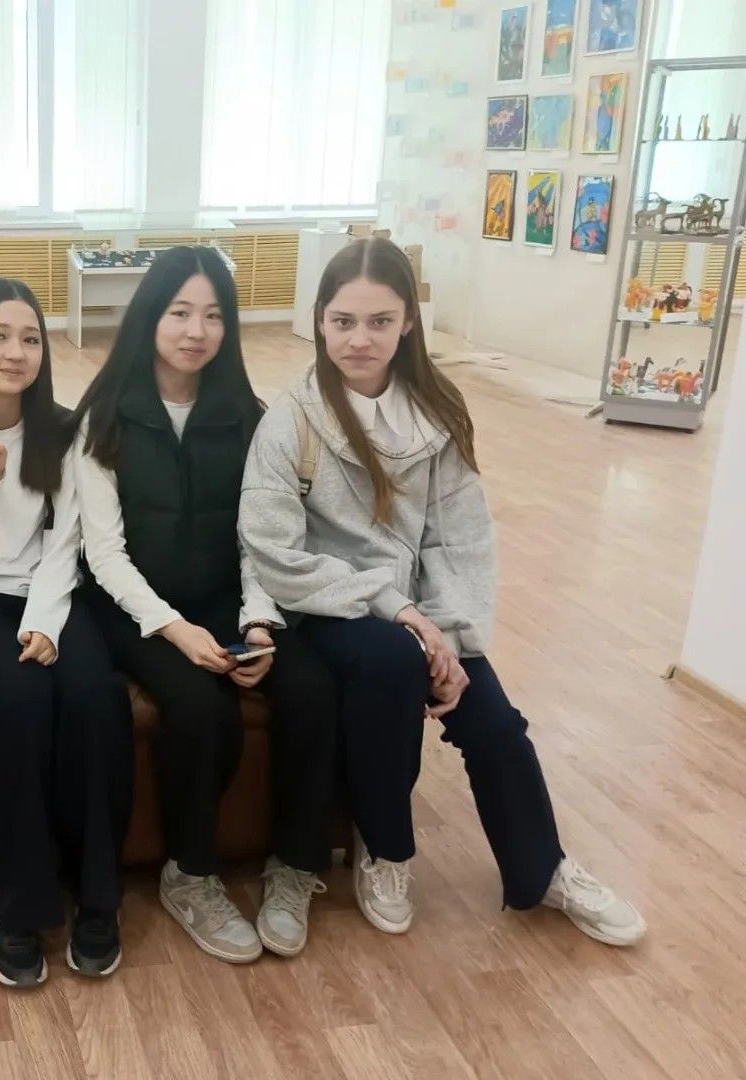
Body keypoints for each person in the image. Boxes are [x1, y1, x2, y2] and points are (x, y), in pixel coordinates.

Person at [238, 237, 646, 946]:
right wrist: (398, 612)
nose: (359, 339)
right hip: (331, 603)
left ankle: (544, 868)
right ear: (319, 320)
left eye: (379, 321)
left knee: (494, 722)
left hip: (424, 611)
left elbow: (461, 539)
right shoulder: (290, 421)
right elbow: (275, 552)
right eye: (343, 321)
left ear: (408, 322)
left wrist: (448, 635)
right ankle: (387, 850)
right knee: (391, 664)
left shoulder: (438, 411)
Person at [73, 246, 339, 963]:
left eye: (214, 315)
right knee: (199, 706)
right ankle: (189, 874)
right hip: (133, 608)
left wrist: (259, 618)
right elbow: (105, 555)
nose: (197, 330)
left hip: (227, 597)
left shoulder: (250, 419)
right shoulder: (102, 419)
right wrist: (174, 629)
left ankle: (295, 864)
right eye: (180, 312)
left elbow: (261, 535)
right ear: (150, 318)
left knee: (312, 690)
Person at [0, 277, 134, 987]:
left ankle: (97, 898)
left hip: (49, 594)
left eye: (31, 338)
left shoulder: (67, 431)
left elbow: (65, 544)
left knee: (96, 695)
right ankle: (18, 907)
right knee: (16, 697)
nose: (16, 352)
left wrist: (43, 621)